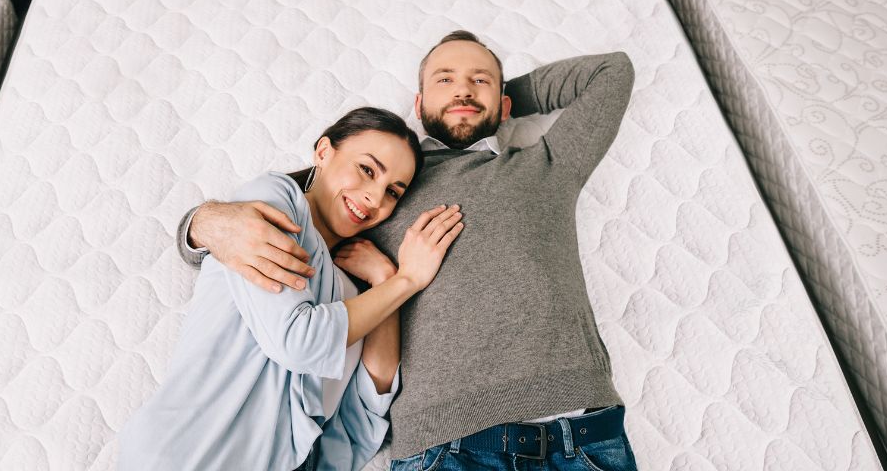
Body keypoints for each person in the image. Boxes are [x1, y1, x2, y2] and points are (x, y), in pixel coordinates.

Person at [177, 31, 639, 471]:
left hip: (580, 429)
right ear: (417, 105)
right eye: (444, 80)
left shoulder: (547, 169)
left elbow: (613, 72)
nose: (463, 90)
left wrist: (496, 98)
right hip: (447, 442)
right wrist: (204, 223)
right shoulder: (382, 191)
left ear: (504, 103)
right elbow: (292, 216)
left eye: (479, 80)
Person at [120, 107, 464, 471]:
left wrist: (384, 279)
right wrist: (406, 281)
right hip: (186, 452)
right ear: (323, 152)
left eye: (393, 192)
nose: (375, 199)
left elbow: (366, 409)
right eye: (367, 170)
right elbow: (299, 341)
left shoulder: (358, 294)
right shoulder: (273, 202)